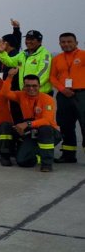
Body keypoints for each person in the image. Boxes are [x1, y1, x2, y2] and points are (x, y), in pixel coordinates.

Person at [0, 74, 62, 172]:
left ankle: (47, 164)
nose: (31, 88)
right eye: (28, 86)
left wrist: (27, 124)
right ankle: (9, 156)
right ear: (24, 87)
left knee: (45, 128)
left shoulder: (47, 99)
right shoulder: (21, 95)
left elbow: (47, 120)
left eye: (34, 86)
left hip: (50, 134)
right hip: (32, 132)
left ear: (39, 86)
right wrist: (10, 76)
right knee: (22, 161)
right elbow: (4, 93)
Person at [50, 33, 85, 164]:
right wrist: (62, 89)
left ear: (76, 42)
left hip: (82, 94)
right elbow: (52, 77)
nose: (66, 44)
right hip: (64, 95)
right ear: (59, 44)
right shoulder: (57, 59)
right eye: (63, 42)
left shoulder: (83, 55)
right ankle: (69, 155)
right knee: (65, 125)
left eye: (69, 41)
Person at [0, 29, 52, 93]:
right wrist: (2, 52)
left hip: (40, 93)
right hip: (25, 92)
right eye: (27, 39)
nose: (28, 41)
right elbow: (10, 62)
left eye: (32, 39)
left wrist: (30, 86)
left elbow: (43, 72)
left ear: (39, 42)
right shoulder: (23, 54)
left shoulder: (45, 54)